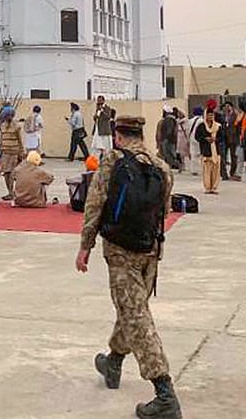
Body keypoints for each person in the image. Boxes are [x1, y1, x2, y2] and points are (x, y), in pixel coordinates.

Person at [76, 115, 180, 419]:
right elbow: (166, 210)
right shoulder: (161, 167)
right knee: (132, 310)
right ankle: (114, 361)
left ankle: (164, 393)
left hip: (121, 252)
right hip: (150, 252)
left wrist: (85, 246)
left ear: (118, 135)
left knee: (136, 317)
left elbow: (94, 204)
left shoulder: (112, 161)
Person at [194, 104, 222, 194]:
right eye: (209, 115)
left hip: (216, 151)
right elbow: (197, 137)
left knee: (216, 170)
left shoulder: (217, 126)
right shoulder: (201, 126)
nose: (210, 117)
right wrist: (205, 139)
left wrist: (215, 139)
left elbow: (222, 137)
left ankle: (214, 187)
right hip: (206, 151)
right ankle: (207, 187)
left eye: (212, 115)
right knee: (206, 170)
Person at [0, 107, 24, 201]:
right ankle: (9, 192)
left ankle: (13, 192)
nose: (9, 117)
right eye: (7, 115)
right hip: (5, 153)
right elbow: (1, 139)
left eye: (10, 115)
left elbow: (20, 140)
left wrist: (21, 152)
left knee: (12, 173)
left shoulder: (16, 126)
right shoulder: (2, 126)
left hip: (14, 153)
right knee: (6, 173)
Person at [156, 105, 178, 169]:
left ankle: (176, 164)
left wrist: (165, 139)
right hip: (169, 140)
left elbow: (168, 131)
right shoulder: (171, 120)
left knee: (168, 154)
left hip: (167, 140)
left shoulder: (169, 120)